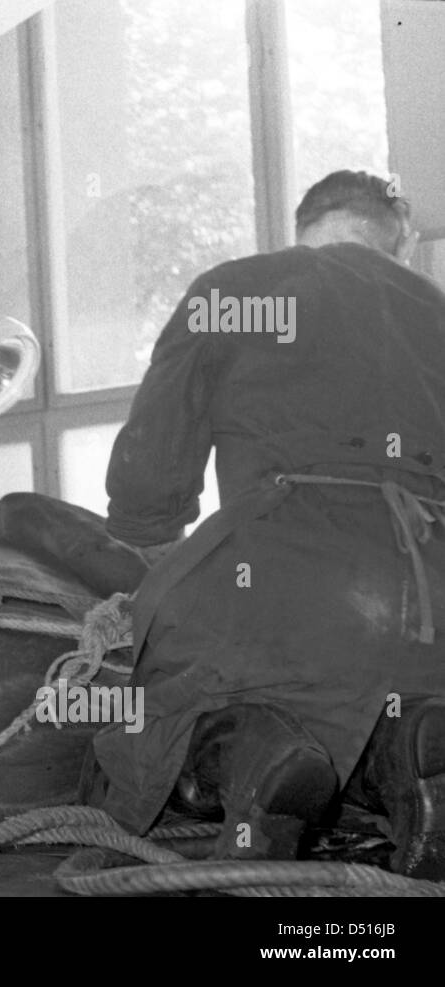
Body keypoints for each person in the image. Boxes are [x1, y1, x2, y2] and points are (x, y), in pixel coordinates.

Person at [88, 170, 445, 876]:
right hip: (433, 594)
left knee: (152, 714)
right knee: (375, 702)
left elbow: (148, 479)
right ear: (398, 243)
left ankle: (256, 755)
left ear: (305, 226)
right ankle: (410, 744)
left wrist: (156, 563)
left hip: (285, 571)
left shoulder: (236, 290)